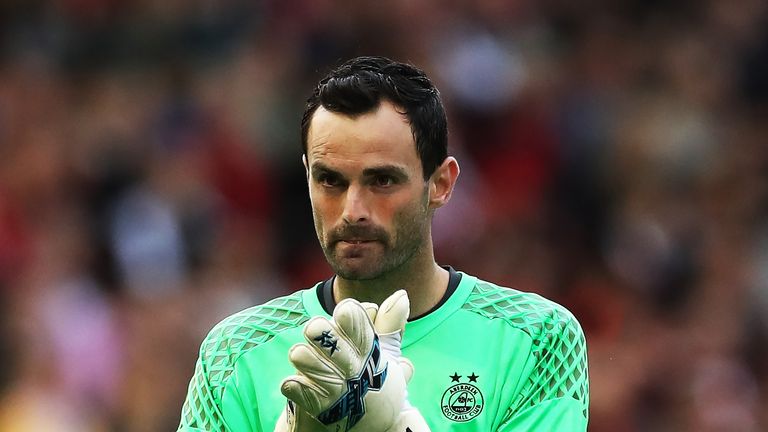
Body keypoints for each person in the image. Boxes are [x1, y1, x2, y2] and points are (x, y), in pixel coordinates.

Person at [178, 56, 589, 431]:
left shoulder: (539, 336)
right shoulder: (234, 351)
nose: (353, 209)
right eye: (330, 181)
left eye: (382, 180)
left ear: (441, 183)